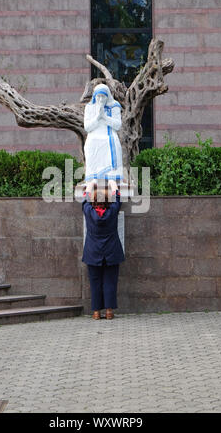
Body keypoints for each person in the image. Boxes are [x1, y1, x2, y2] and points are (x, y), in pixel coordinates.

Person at [82, 180, 125, 320]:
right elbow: (117, 197)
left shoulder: (89, 211)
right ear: (108, 201)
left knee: (95, 283)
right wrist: (113, 185)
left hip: (92, 253)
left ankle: (96, 312)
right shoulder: (112, 211)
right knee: (110, 282)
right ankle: (109, 312)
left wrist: (91, 184)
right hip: (112, 252)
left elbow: (84, 198)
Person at [83, 83, 124, 183]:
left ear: (107, 96)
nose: (100, 100)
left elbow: (118, 125)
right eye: (98, 96)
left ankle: (112, 178)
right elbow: (87, 127)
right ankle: (94, 178)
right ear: (94, 96)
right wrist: (97, 116)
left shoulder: (114, 106)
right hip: (94, 137)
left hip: (109, 137)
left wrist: (104, 117)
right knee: (90, 145)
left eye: (103, 97)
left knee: (113, 143)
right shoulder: (90, 107)